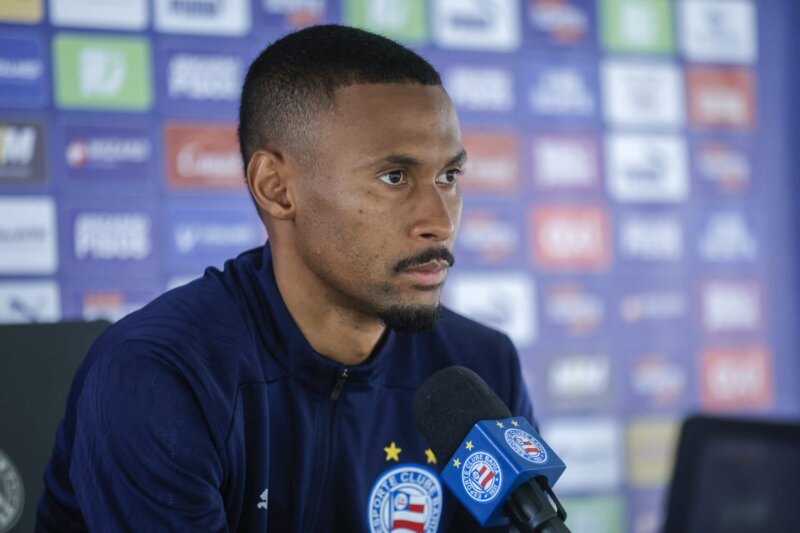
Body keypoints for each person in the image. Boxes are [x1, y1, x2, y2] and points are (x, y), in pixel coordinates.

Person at [36, 24, 533, 532]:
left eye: (448, 177)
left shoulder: (480, 367)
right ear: (276, 188)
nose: (440, 221)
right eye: (394, 177)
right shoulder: (160, 376)